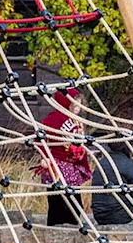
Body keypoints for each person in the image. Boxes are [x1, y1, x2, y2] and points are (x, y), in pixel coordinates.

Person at [34, 86, 94, 226]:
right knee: (58, 201)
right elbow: (40, 138)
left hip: (70, 166)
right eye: (75, 104)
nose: (78, 108)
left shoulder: (75, 120)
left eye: (79, 104)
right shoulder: (54, 119)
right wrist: (44, 156)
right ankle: (57, 229)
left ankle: (72, 226)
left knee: (73, 201)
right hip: (57, 165)